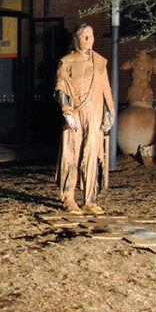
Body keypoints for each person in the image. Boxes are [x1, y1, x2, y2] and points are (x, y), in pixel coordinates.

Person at [54, 23, 115, 214]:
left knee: (91, 154)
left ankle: (90, 199)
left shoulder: (100, 62)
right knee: (71, 154)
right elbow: (60, 87)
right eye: (84, 36)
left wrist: (110, 112)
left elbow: (106, 88)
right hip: (75, 113)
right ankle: (68, 198)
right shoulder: (67, 61)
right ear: (76, 38)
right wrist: (66, 111)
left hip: (95, 112)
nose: (88, 39)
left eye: (91, 35)